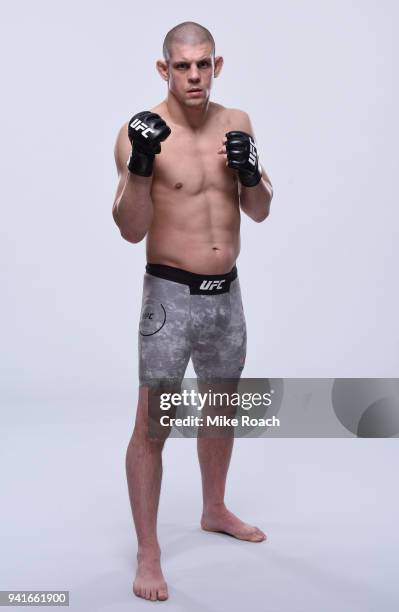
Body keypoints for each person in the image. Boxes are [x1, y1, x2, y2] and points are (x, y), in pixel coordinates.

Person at [112, 21, 273, 602]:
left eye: (203, 64)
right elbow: (131, 230)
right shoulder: (140, 133)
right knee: (153, 427)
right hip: (169, 299)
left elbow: (259, 211)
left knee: (221, 410)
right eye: (182, 66)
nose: (194, 76)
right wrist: (141, 166)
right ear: (164, 70)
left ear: (217, 65)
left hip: (226, 297)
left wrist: (252, 173)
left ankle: (214, 509)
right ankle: (149, 552)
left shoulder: (238, 123)